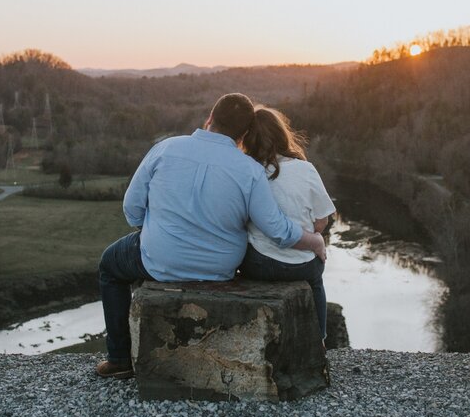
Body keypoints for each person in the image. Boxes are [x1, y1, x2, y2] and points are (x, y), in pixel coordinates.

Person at [95, 93, 326, 378]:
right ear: (243, 135)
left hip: (159, 259)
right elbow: (277, 229)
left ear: (209, 119)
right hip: (219, 269)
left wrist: (155, 232)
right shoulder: (251, 171)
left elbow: (132, 209)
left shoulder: (165, 149)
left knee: (110, 265)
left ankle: (119, 358)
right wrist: (314, 240)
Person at [238, 106, 335, 342]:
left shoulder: (248, 172)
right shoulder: (305, 169)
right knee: (316, 282)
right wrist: (310, 238)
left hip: (258, 264)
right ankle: (319, 339)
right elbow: (322, 220)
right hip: (300, 265)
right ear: (282, 134)